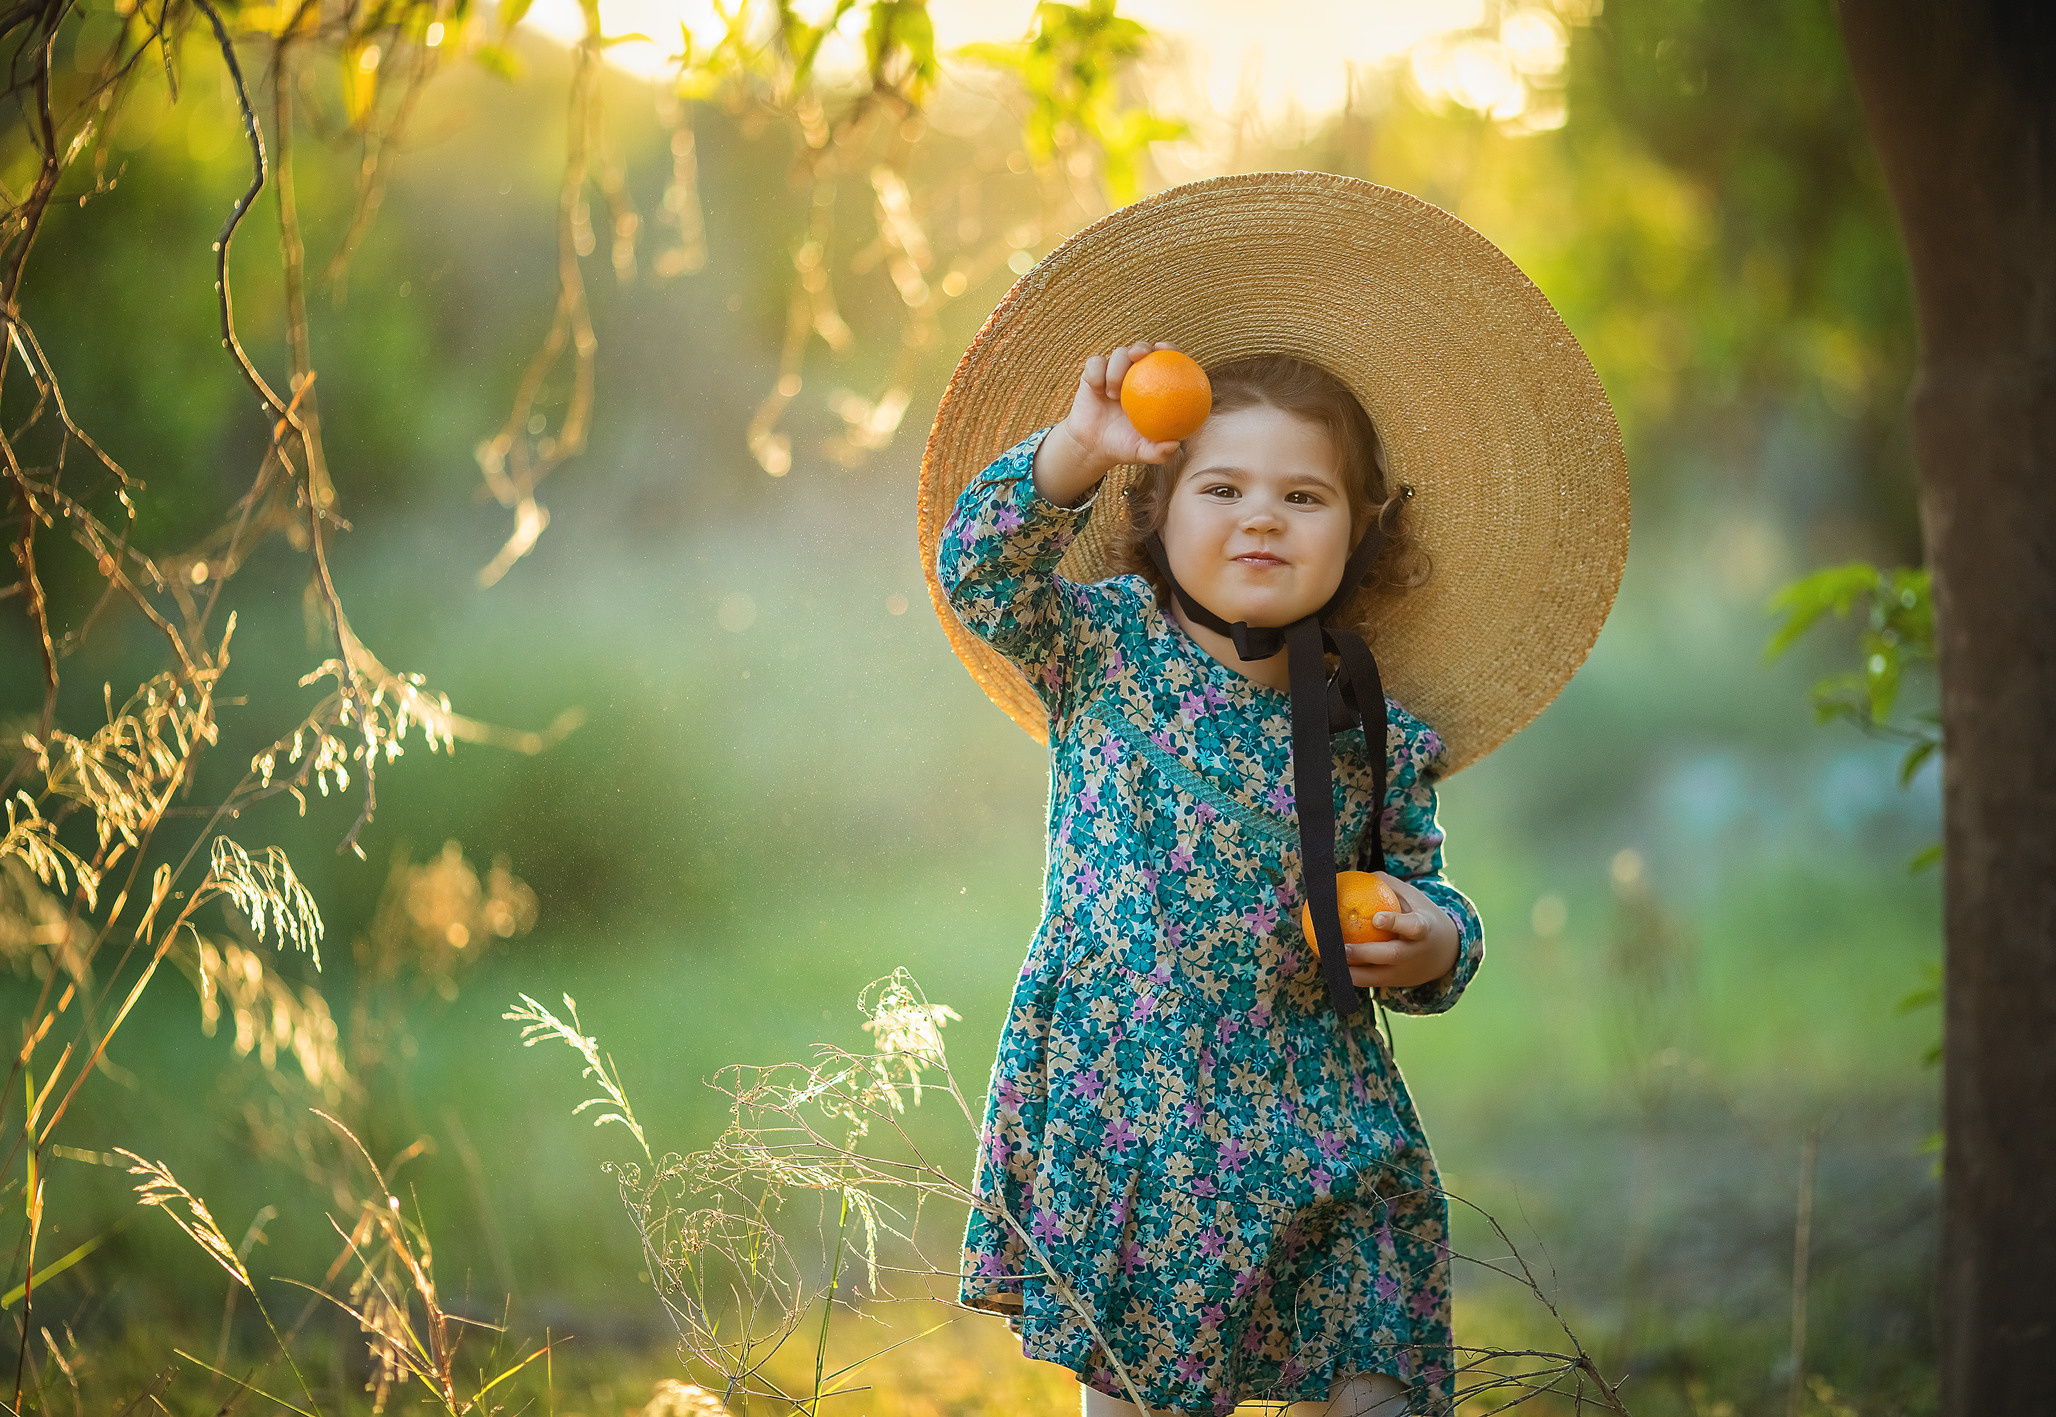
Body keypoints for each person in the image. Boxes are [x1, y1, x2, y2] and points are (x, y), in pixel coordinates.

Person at [916, 173, 1628, 1417]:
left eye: (1302, 497)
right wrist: (1078, 449)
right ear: (1155, 508)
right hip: (1131, 1098)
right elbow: (974, 569)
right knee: (1139, 1394)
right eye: (1222, 489)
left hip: (1320, 1104)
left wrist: (1433, 937)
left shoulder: (1369, 723)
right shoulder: (1099, 647)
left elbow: (1420, 896)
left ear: (1357, 530)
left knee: (1377, 1377)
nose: (1261, 519)